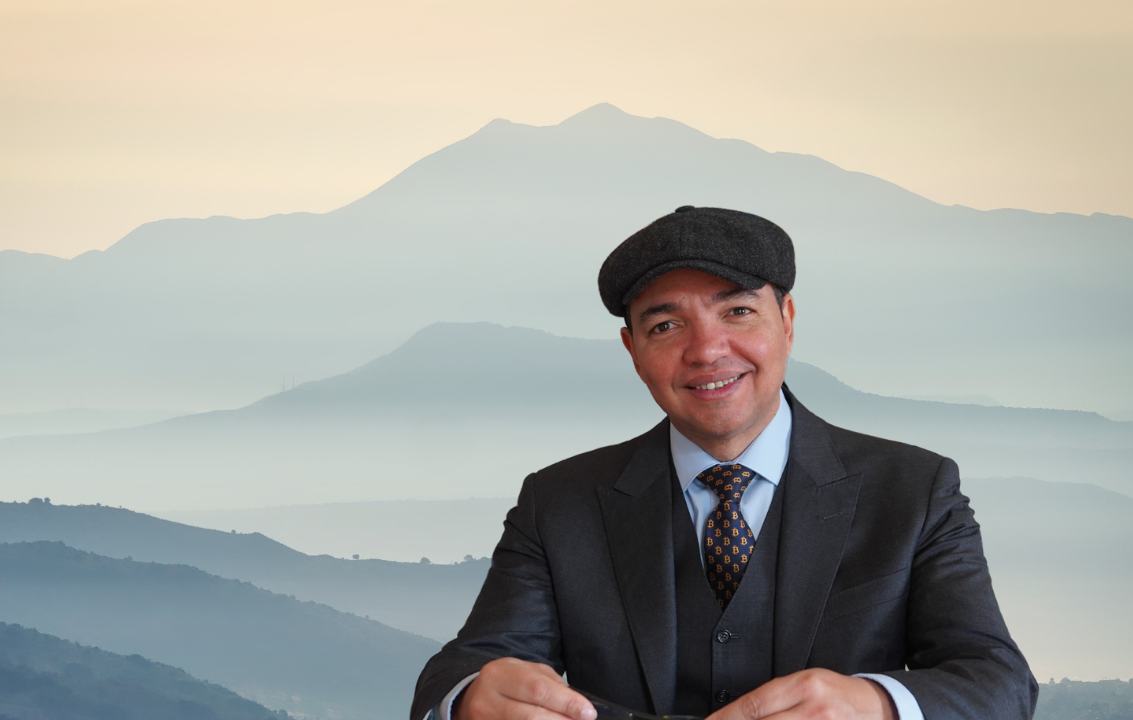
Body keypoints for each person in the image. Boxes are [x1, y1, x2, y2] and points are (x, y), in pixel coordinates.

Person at [410, 206, 1037, 720]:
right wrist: (467, 701)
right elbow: (464, 668)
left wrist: (875, 702)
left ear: (786, 320)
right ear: (631, 350)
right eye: (665, 326)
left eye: (737, 311)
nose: (707, 351)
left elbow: (998, 682)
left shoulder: (915, 488)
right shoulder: (559, 501)